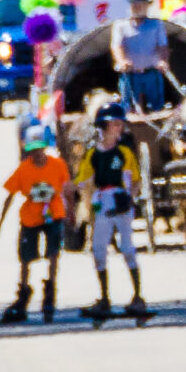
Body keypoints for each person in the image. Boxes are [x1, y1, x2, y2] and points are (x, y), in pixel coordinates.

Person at [74, 105, 151, 324]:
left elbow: (136, 180)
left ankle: (138, 296)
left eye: (120, 124)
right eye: (115, 124)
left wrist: (130, 197)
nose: (119, 128)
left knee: (127, 248)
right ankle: (105, 297)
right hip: (102, 202)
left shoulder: (125, 153)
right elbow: (81, 179)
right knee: (98, 249)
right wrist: (66, 188)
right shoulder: (93, 155)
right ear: (104, 127)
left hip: (121, 201)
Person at [0, 124, 75, 324]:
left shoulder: (57, 165)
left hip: (53, 215)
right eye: (33, 150)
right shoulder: (23, 170)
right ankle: (23, 293)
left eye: (40, 149)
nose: (37, 154)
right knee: (26, 257)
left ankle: (50, 291)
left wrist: (71, 213)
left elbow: (67, 190)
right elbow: (10, 196)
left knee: (54, 253)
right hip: (31, 217)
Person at [111, 0, 173, 114]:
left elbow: (163, 46)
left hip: (151, 72)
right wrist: (121, 61)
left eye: (141, 4)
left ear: (147, 6)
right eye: (134, 4)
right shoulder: (121, 26)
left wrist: (163, 61)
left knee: (157, 108)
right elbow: (117, 46)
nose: (137, 7)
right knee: (128, 108)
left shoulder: (156, 25)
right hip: (130, 74)